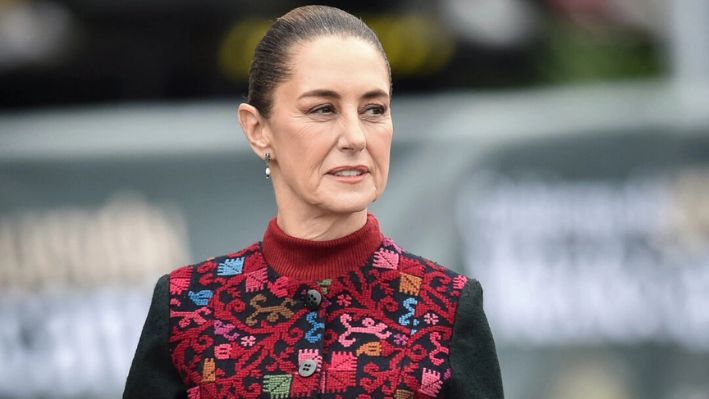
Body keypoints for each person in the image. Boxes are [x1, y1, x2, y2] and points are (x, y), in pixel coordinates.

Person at [123, 5, 503, 399]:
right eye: (323, 109)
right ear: (257, 130)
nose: (355, 137)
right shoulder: (188, 307)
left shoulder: (446, 307)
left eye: (374, 110)